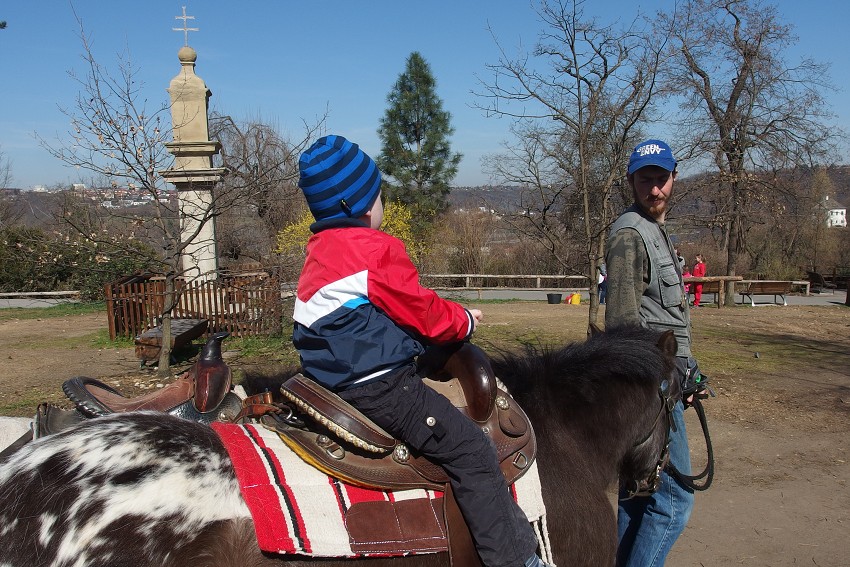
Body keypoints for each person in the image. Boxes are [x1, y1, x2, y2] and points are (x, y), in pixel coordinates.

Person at [292, 135, 546, 567]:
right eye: (379, 193)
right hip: (381, 389)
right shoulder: (372, 249)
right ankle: (517, 559)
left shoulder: (318, 252)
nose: (382, 202)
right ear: (361, 205)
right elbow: (421, 311)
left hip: (330, 383)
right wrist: (464, 320)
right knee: (472, 452)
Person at [605, 139, 695, 567]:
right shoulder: (630, 235)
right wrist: (653, 390)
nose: (655, 189)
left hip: (668, 383)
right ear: (631, 181)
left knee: (638, 499)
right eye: (646, 180)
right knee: (674, 502)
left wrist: (690, 374)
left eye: (662, 179)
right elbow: (623, 330)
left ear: (674, 178)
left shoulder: (653, 229)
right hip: (653, 393)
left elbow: (664, 317)